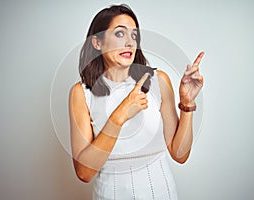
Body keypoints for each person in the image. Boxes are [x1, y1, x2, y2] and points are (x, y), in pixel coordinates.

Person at [69, 4, 204, 200]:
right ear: (97, 42)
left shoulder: (158, 82)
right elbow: (84, 173)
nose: (129, 43)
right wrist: (119, 115)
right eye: (119, 34)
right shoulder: (81, 93)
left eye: (133, 36)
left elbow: (180, 154)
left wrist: (187, 104)